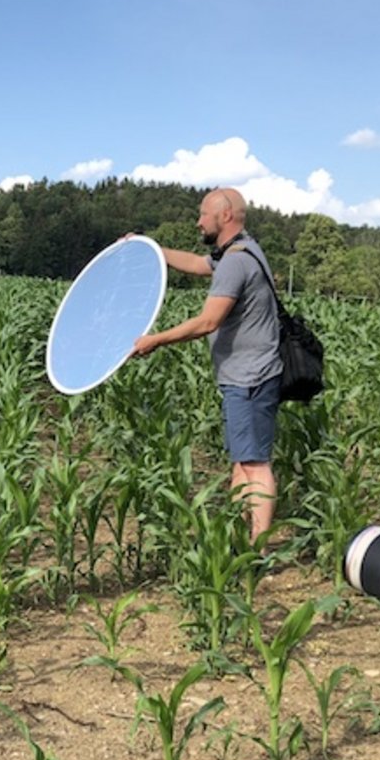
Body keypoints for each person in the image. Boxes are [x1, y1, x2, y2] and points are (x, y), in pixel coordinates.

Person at [131, 187, 282, 541]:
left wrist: (155, 339)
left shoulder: (236, 261)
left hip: (250, 378)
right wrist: (149, 248)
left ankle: (256, 549)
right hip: (242, 376)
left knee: (255, 465)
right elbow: (198, 264)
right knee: (242, 462)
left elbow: (207, 322)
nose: (198, 221)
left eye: (203, 214)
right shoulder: (238, 250)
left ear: (225, 216)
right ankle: (237, 537)